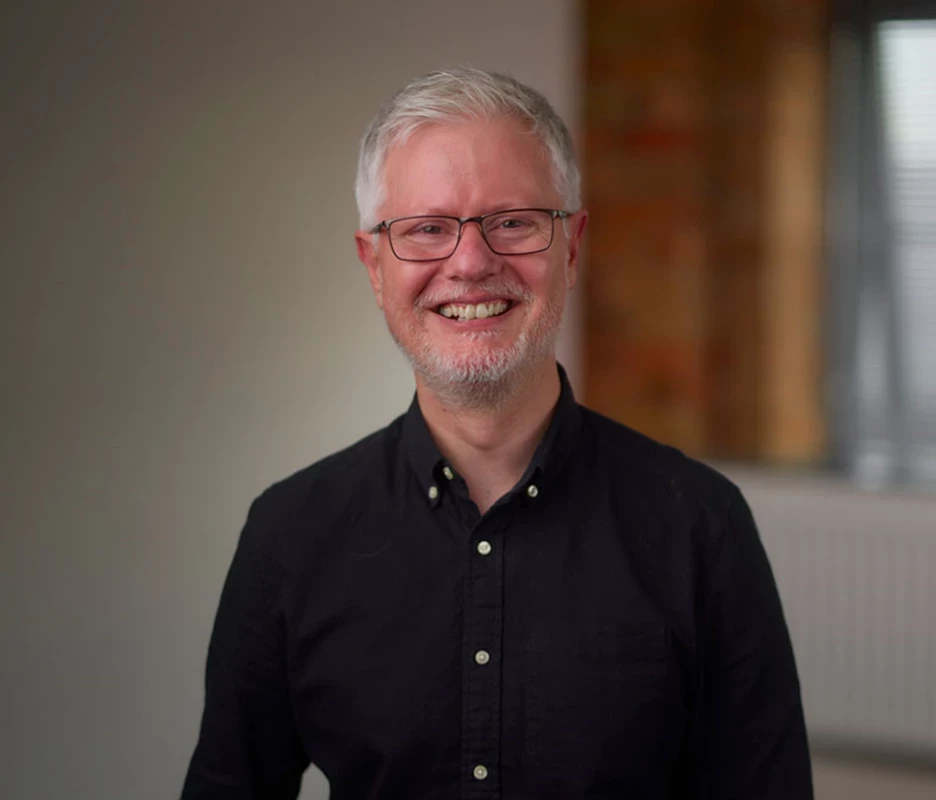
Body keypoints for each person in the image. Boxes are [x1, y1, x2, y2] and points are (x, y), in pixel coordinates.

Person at [181, 67, 811, 800]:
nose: (472, 263)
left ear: (571, 248)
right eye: (425, 229)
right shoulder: (289, 536)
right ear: (374, 267)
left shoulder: (701, 526)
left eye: (512, 221)